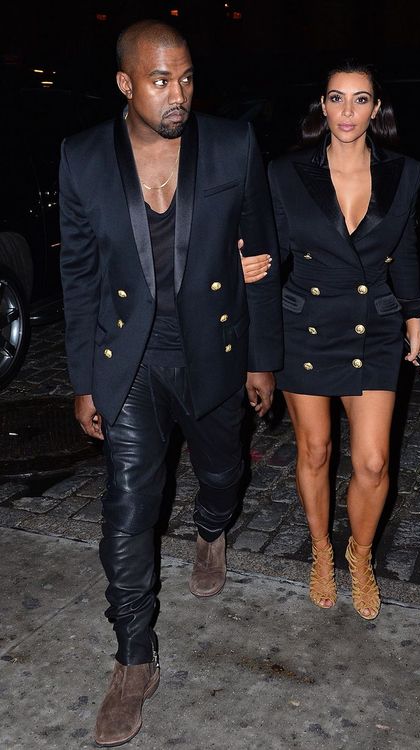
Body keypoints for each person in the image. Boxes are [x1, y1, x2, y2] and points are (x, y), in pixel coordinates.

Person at [59, 19, 282, 747]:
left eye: (186, 77)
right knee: (128, 508)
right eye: (160, 80)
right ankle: (133, 657)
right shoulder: (83, 157)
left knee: (221, 471)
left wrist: (262, 359)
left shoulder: (231, 144)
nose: (178, 93)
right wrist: (85, 380)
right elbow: (79, 277)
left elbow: (262, 254)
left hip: (213, 350)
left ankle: (213, 531)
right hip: (130, 360)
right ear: (126, 84)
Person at [243, 61, 420, 621]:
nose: (347, 111)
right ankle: (322, 550)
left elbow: (406, 250)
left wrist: (415, 321)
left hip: (374, 327)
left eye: (360, 99)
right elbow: (272, 252)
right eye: (336, 98)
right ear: (322, 106)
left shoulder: (405, 172)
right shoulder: (286, 172)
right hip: (306, 325)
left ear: (377, 109)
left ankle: (360, 556)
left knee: (372, 462)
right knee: (317, 450)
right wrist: (245, 266)